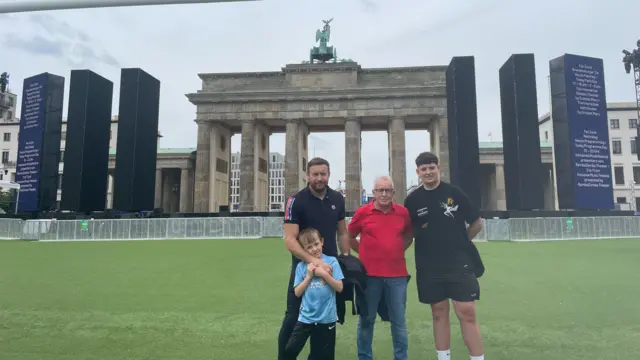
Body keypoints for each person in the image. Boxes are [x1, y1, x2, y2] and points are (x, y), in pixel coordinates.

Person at [403, 152, 485, 360]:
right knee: (438, 313)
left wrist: (462, 241)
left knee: (466, 311)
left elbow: (477, 222)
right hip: (429, 265)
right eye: (424, 169)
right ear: (418, 172)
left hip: (459, 262)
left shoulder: (454, 193)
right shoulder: (412, 200)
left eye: (432, 167)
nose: (428, 172)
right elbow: (409, 233)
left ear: (438, 168)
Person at [278, 157, 351, 360]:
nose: (320, 178)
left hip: (330, 268)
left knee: (326, 320)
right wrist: (315, 262)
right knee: (293, 317)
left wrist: (346, 258)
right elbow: (290, 240)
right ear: (308, 175)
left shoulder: (337, 198)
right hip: (304, 269)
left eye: (323, 174)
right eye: (315, 174)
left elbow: (342, 232)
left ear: (328, 175)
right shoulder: (296, 201)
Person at [347, 175, 413, 360]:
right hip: (369, 276)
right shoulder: (363, 212)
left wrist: (397, 249)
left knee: (398, 322)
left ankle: (401, 358)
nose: (384, 194)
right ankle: (364, 357)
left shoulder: (403, 213)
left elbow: (409, 235)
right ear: (374, 193)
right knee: (367, 321)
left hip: (397, 275)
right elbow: (349, 236)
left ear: (393, 192)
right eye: (380, 190)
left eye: (388, 190)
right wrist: (363, 252)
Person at [283, 228, 344, 360]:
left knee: (323, 356)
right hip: (306, 318)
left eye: (316, 244)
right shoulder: (301, 267)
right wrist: (309, 276)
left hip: (327, 319)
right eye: (309, 247)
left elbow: (339, 287)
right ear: (303, 250)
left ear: (322, 242)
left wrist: (323, 274)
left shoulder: (332, 262)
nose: (314, 249)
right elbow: (297, 293)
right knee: (289, 351)